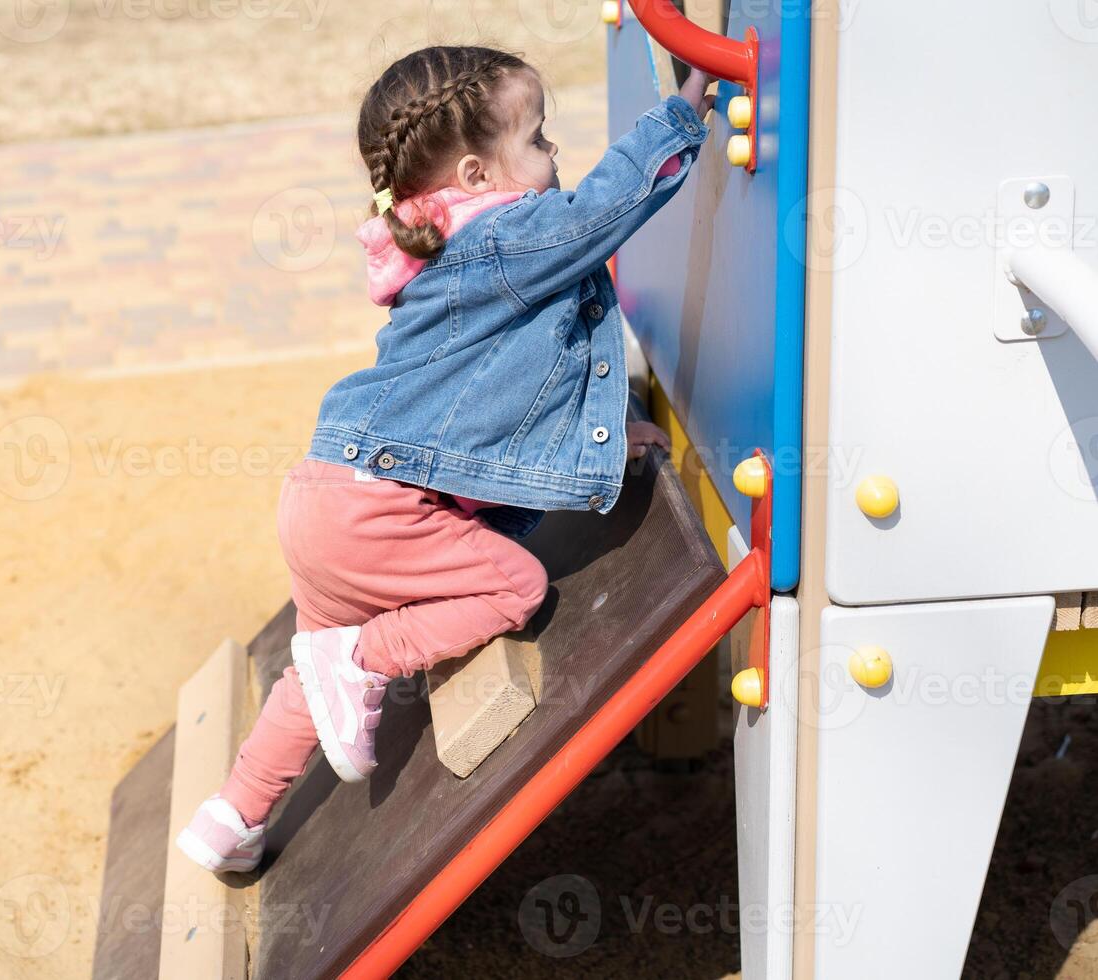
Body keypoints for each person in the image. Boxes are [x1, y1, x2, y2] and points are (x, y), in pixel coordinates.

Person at [178, 45, 715, 873]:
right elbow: (604, 210)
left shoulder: (435, 244)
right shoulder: (509, 235)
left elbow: (500, 388)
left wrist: (609, 430)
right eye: (537, 139)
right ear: (474, 172)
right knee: (516, 585)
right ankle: (364, 658)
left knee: (306, 680)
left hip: (325, 495)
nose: (553, 156)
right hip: (380, 509)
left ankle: (231, 817)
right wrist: (685, 107)